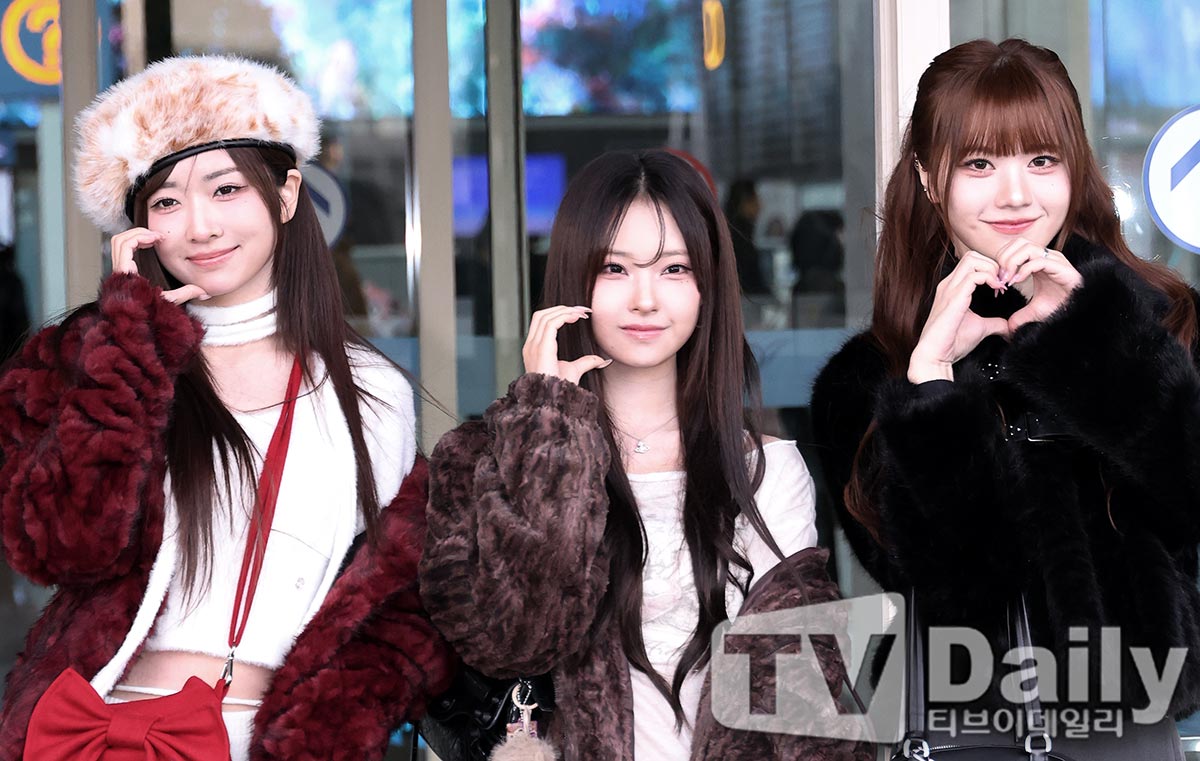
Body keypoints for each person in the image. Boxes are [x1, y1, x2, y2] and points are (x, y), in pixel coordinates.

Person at [0, 56, 454, 760]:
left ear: (287, 194)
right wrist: (127, 348)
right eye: (166, 202)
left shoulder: (370, 392)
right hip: (93, 733)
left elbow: (395, 612)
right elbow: (60, 547)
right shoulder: (90, 358)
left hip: (268, 740)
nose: (201, 226)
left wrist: (333, 732)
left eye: (226, 188)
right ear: (138, 225)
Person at [811, 38, 1200, 758]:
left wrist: (1092, 343)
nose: (1016, 194)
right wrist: (932, 382)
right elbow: (949, 586)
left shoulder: (1165, 325)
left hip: (1127, 732)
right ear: (929, 177)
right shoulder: (868, 380)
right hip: (966, 736)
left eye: (1042, 160)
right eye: (979, 164)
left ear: (1075, 166)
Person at [420, 149, 872, 760]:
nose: (644, 299)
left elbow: (806, 708)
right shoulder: (483, 462)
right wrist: (547, 428)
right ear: (574, 278)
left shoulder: (764, 471)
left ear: (707, 286)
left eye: (674, 269)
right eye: (615, 268)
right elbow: (515, 641)